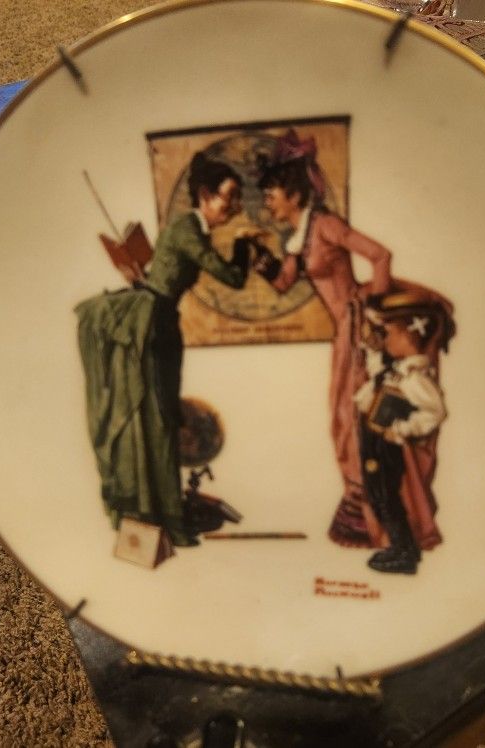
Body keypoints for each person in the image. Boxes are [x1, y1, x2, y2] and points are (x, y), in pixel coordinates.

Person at [252, 129, 454, 550]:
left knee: (356, 416)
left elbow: (380, 256)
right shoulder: (298, 238)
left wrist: (375, 314)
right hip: (345, 329)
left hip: (358, 324)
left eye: (271, 192)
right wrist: (257, 257)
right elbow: (284, 283)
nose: (266, 200)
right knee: (344, 418)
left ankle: (377, 507)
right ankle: (364, 501)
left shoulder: (326, 225)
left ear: (293, 192)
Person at [76, 152, 249, 547]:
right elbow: (233, 278)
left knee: (163, 416)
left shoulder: (192, 230)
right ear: (205, 195)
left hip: (161, 319)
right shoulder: (187, 229)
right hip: (151, 322)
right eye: (229, 197)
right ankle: (163, 515)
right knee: (158, 418)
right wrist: (242, 246)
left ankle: (162, 510)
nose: (235, 206)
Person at [354, 293, 449, 573]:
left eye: (390, 333)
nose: (385, 339)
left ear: (410, 335)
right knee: (377, 496)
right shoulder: (394, 370)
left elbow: (434, 412)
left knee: (387, 498)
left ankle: (404, 552)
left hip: (386, 445)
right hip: (371, 440)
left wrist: (402, 429)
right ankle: (400, 548)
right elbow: (376, 376)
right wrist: (372, 351)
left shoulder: (414, 377)